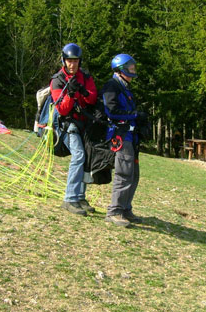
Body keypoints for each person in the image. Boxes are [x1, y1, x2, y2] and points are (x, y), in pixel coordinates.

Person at [50, 43, 98, 216]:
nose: (72, 64)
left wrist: (83, 91)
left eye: (75, 61)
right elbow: (61, 109)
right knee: (78, 155)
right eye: (69, 61)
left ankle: (79, 196)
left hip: (84, 123)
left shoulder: (85, 77)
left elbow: (93, 99)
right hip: (67, 124)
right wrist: (70, 95)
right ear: (64, 60)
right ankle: (69, 198)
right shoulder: (57, 80)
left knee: (87, 157)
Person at [101, 54, 147, 227]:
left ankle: (126, 208)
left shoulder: (125, 87)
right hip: (120, 136)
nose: (133, 72)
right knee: (124, 173)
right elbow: (111, 111)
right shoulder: (112, 86)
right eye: (130, 68)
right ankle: (114, 211)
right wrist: (135, 115)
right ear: (121, 69)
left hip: (131, 136)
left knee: (134, 174)